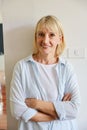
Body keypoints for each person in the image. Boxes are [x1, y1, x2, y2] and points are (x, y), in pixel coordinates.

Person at [10, 15, 80, 130]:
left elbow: (74, 110)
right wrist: (59, 112)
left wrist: (37, 104)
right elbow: (17, 110)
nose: (45, 40)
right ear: (36, 37)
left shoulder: (67, 68)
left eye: (51, 35)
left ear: (60, 39)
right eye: (41, 34)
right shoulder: (22, 67)